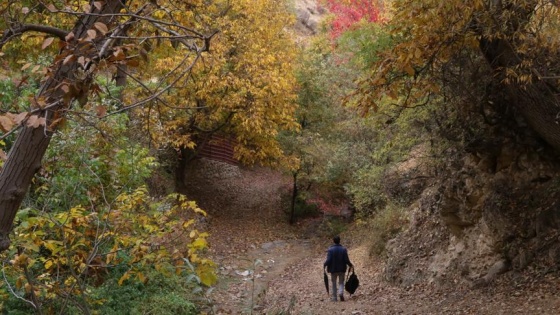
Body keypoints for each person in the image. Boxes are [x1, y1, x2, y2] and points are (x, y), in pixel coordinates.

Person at [323, 235, 353, 302]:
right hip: (342, 269)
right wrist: (350, 265)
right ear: (340, 241)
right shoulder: (343, 249)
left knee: (333, 283)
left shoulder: (330, 250)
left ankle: (334, 298)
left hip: (333, 269)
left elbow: (329, 260)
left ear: (333, 241)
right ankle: (340, 293)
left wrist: (325, 264)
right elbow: (346, 260)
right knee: (341, 282)